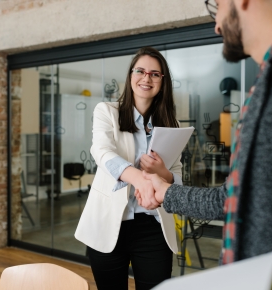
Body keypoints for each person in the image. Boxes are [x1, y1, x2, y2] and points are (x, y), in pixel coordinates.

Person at [135, 0, 272, 289]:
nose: (217, 24)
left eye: (216, 6)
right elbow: (232, 198)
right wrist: (168, 192)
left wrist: (263, 279)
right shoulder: (264, 86)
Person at [75, 47, 183, 290]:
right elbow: (102, 152)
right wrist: (140, 179)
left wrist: (162, 172)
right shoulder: (107, 112)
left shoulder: (171, 124)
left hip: (153, 226)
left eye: (155, 74)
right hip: (109, 223)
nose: (147, 78)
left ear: (162, 82)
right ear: (131, 75)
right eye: (141, 71)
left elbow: (177, 178)